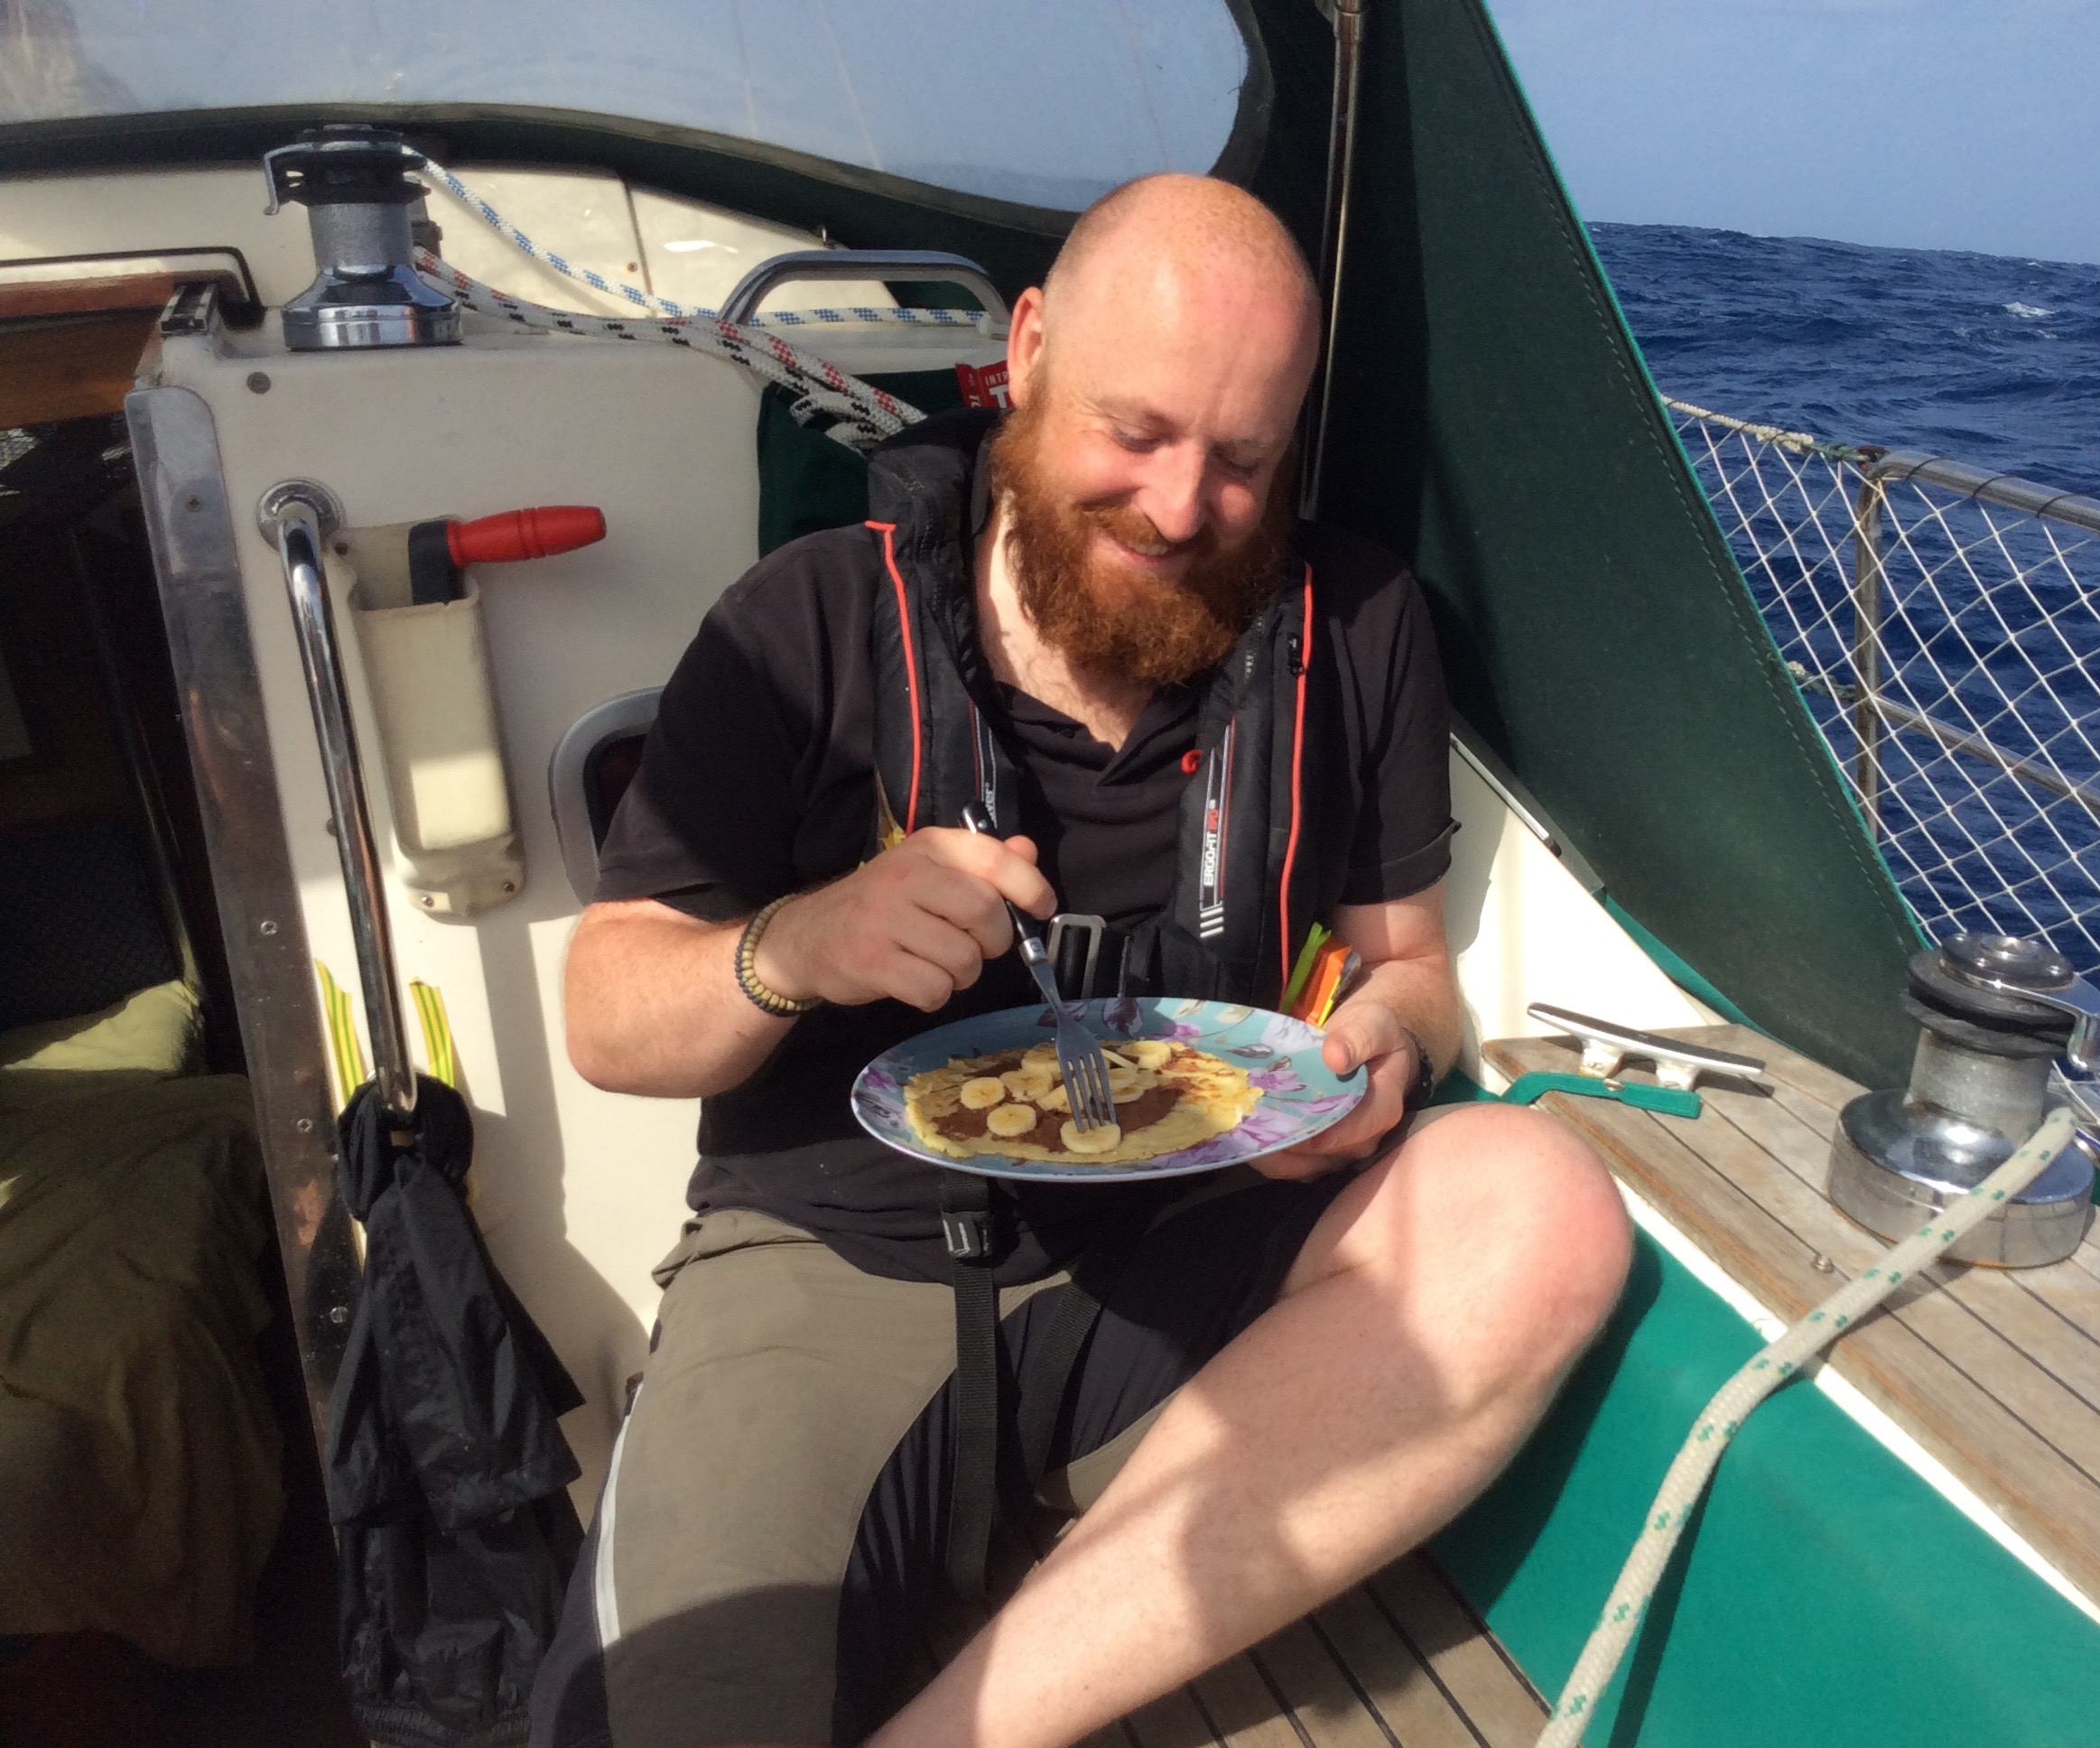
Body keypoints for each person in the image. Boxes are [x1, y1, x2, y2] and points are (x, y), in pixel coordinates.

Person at [543, 173, 1632, 1748]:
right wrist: (797, 945)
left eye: (1242, 460)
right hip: (835, 1268)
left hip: (1186, 1239)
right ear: (1031, 350)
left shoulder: (1359, 626)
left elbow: (1407, 967)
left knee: (1540, 1210)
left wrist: (1382, 1047)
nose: (1181, 509)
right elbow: (605, 1013)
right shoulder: (803, 623)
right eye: (1137, 434)